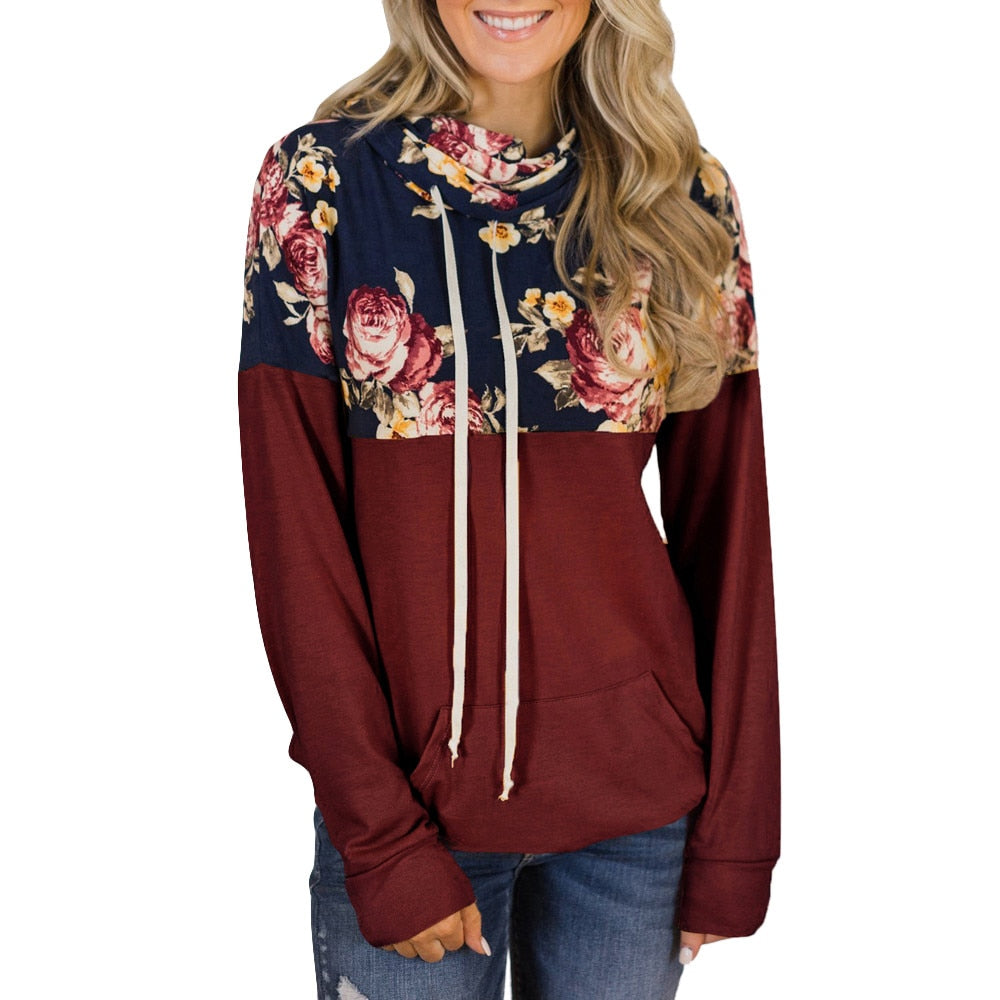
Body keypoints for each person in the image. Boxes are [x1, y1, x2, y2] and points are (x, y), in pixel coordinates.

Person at [238, 1, 780, 996]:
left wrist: (739, 833)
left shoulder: (680, 196)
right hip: (411, 810)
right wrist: (380, 835)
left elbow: (730, 535)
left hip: (640, 817)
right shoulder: (322, 184)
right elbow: (295, 541)